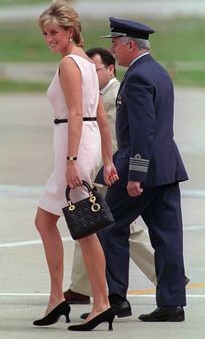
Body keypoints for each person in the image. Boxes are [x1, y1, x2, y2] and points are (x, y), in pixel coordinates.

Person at [95, 17, 188, 322]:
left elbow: (142, 131)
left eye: (115, 44)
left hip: (143, 170)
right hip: (167, 167)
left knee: (109, 225)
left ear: (130, 45)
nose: (113, 50)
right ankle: (172, 304)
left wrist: (135, 175)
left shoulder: (136, 78)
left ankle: (116, 298)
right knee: (167, 236)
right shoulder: (158, 72)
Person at [33, 0, 119, 332]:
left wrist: (71, 162)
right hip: (83, 145)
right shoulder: (85, 61)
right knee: (47, 221)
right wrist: (107, 158)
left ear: (70, 31)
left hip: (74, 148)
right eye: (45, 33)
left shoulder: (70, 64)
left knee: (84, 229)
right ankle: (58, 298)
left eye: (54, 32)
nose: (49, 39)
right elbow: (99, 116)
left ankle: (101, 303)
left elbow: (74, 115)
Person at [64, 47, 157, 308]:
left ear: (110, 70)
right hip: (93, 173)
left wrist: (106, 172)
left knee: (125, 229)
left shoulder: (115, 95)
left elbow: (117, 141)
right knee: (86, 226)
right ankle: (81, 287)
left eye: (94, 71)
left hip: (108, 174)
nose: (89, 78)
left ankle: (167, 276)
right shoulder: (95, 96)